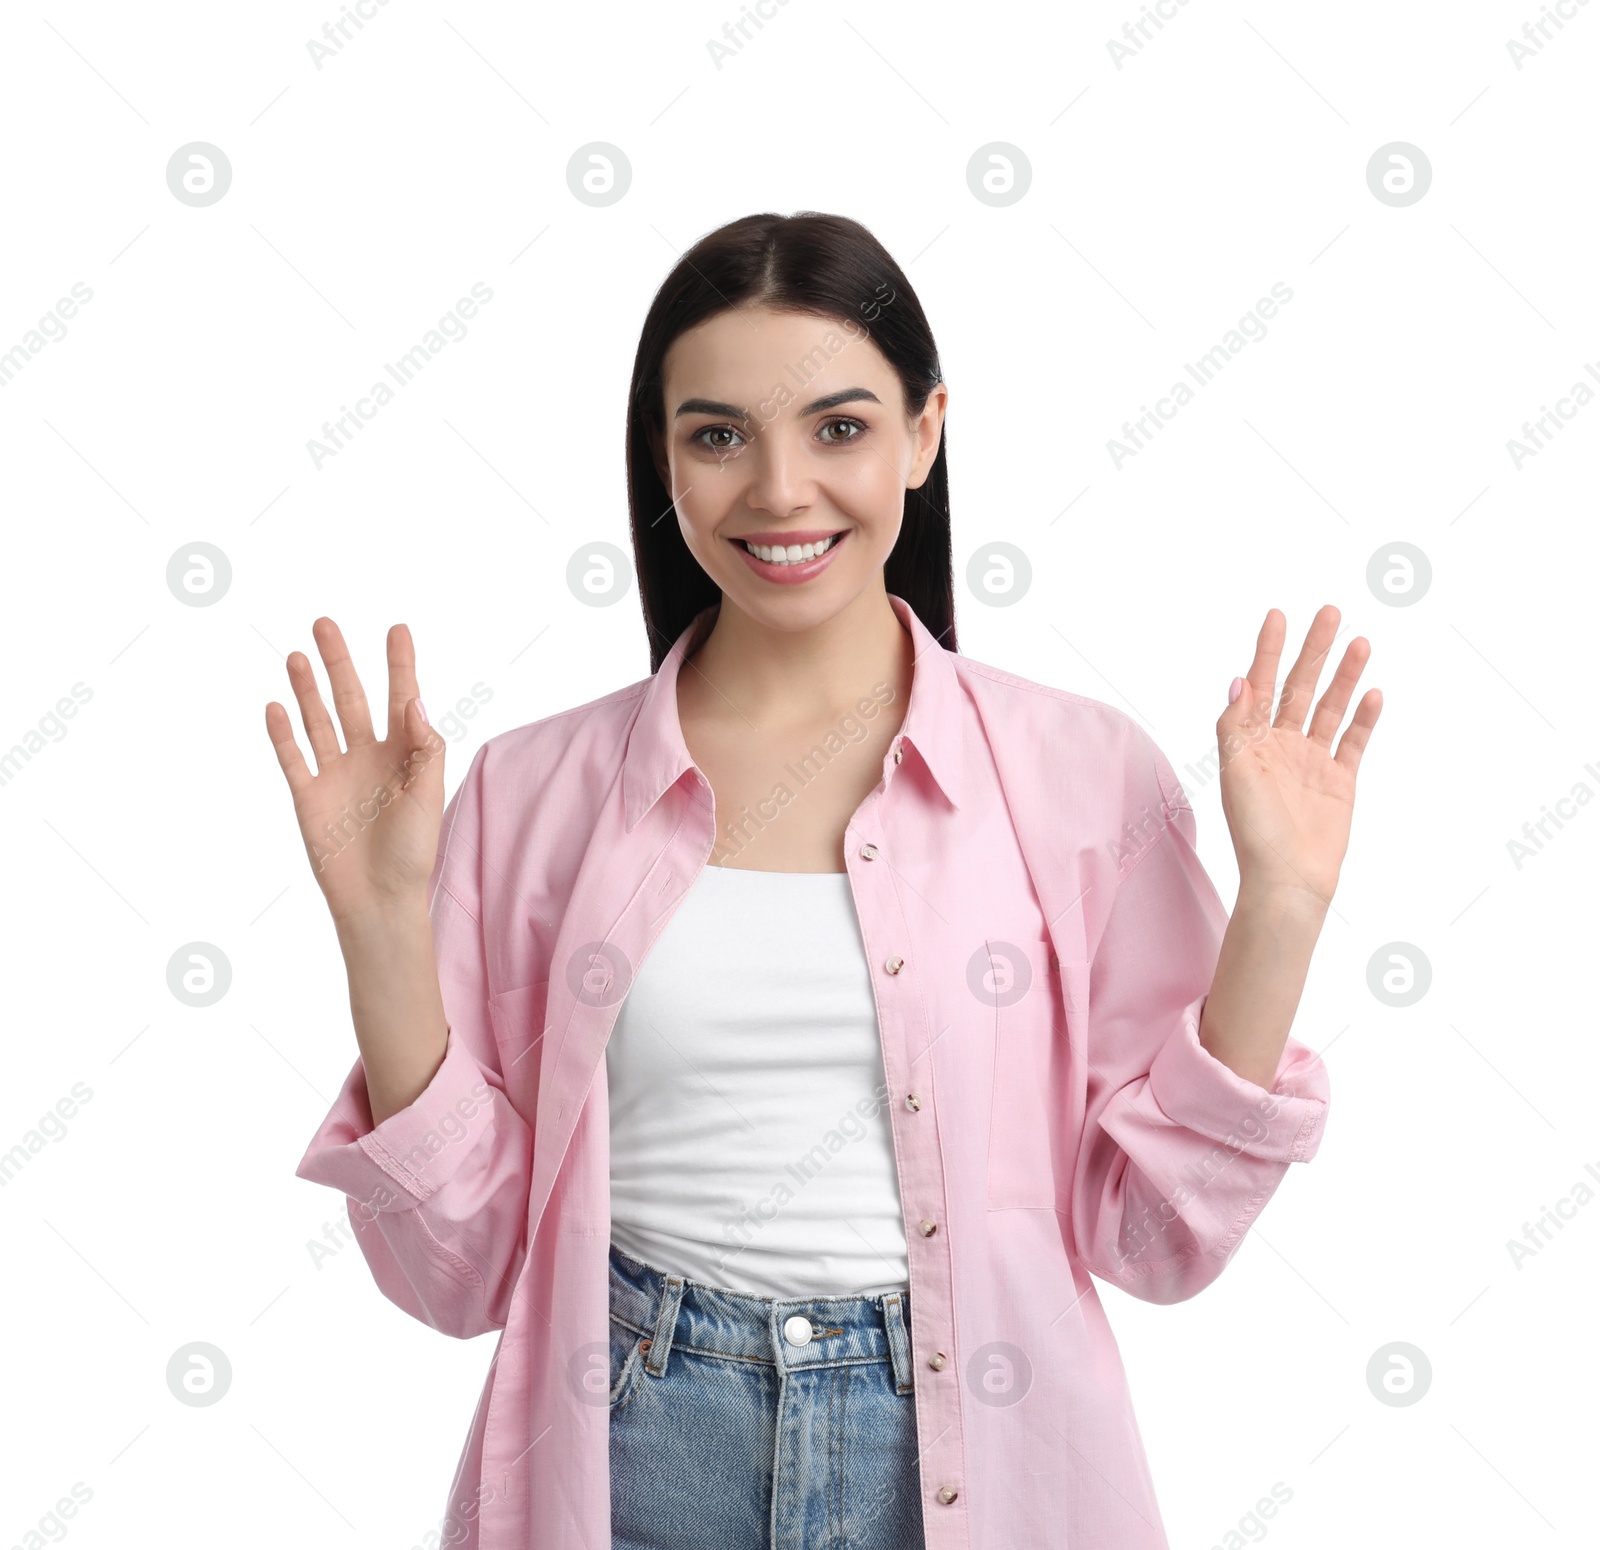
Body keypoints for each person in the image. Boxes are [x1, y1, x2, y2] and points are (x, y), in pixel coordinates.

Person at [273, 211, 1381, 1550]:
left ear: (924, 434)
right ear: (662, 462)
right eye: (718, 433)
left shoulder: (1081, 775)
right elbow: (456, 1274)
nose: (782, 489)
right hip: (633, 1443)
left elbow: (1153, 1240)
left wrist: (1284, 907)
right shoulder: (533, 791)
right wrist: (382, 926)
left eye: (841, 427)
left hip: (972, 1456)